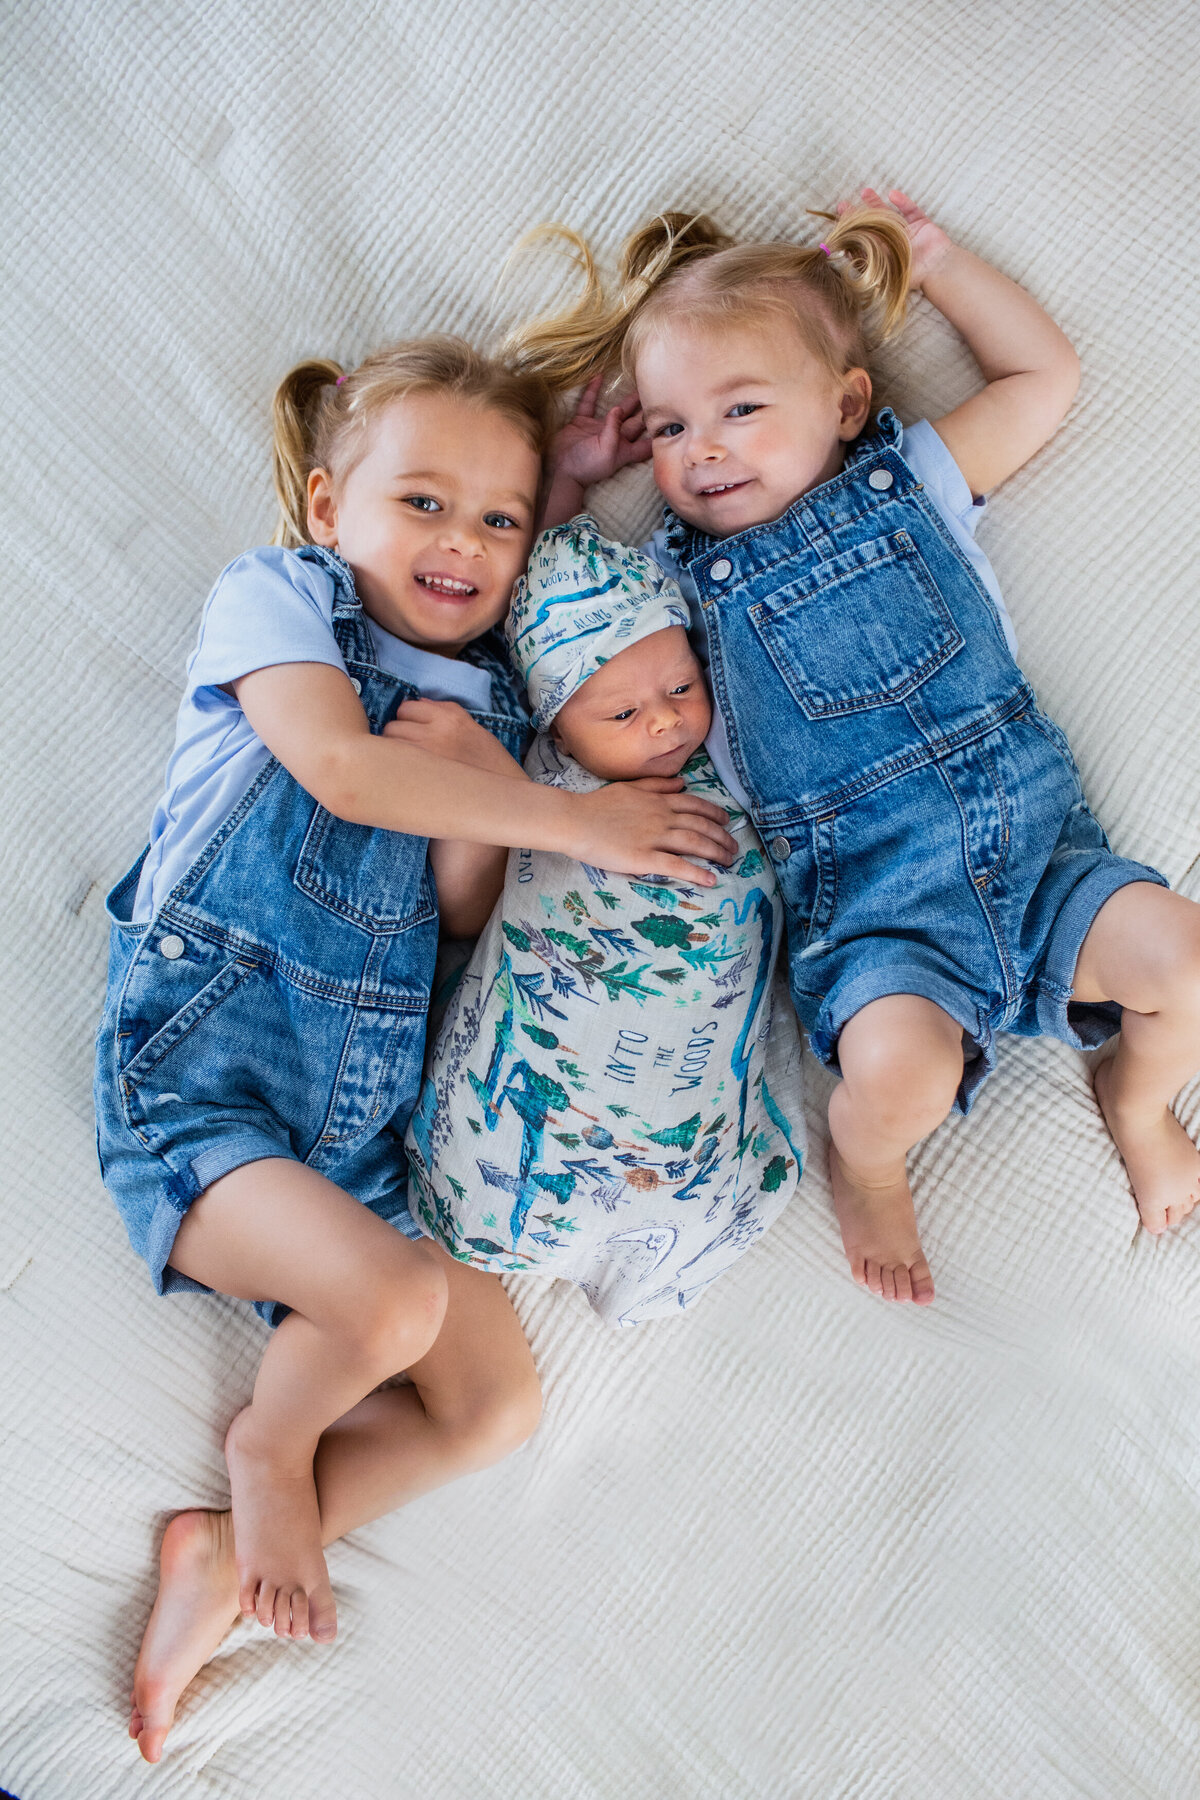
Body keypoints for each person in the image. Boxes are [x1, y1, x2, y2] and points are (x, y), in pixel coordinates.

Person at [94, 336, 737, 1761]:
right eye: (422, 504)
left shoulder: (497, 700)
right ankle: (268, 1451)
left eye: (495, 523)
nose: (462, 543)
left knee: (497, 1403)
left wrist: (497, 785)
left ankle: (218, 1551)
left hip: (366, 1120)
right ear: (328, 509)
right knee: (387, 1311)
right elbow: (333, 766)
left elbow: (454, 921)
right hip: (201, 1080)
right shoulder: (278, 602)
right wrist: (577, 822)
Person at [507, 187, 1200, 1306]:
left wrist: (937, 263)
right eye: (672, 427)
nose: (702, 450)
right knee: (899, 1076)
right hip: (878, 919)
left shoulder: (915, 483)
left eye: (740, 409)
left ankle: (1138, 1100)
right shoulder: (676, 586)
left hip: (1037, 859)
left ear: (848, 402)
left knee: (1189, 960)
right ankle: (868, 1162)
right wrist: (575, 481)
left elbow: (1043, 380)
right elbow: (543, 591)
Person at [406, 517, 805, 1326]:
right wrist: (494, 785)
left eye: (681, 690)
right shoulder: (538, 782)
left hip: (679, 1106)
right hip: (534, 1103)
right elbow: (465, 912)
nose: (663, 723)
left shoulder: (734, 757)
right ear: (555, 727)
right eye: (620, 716)